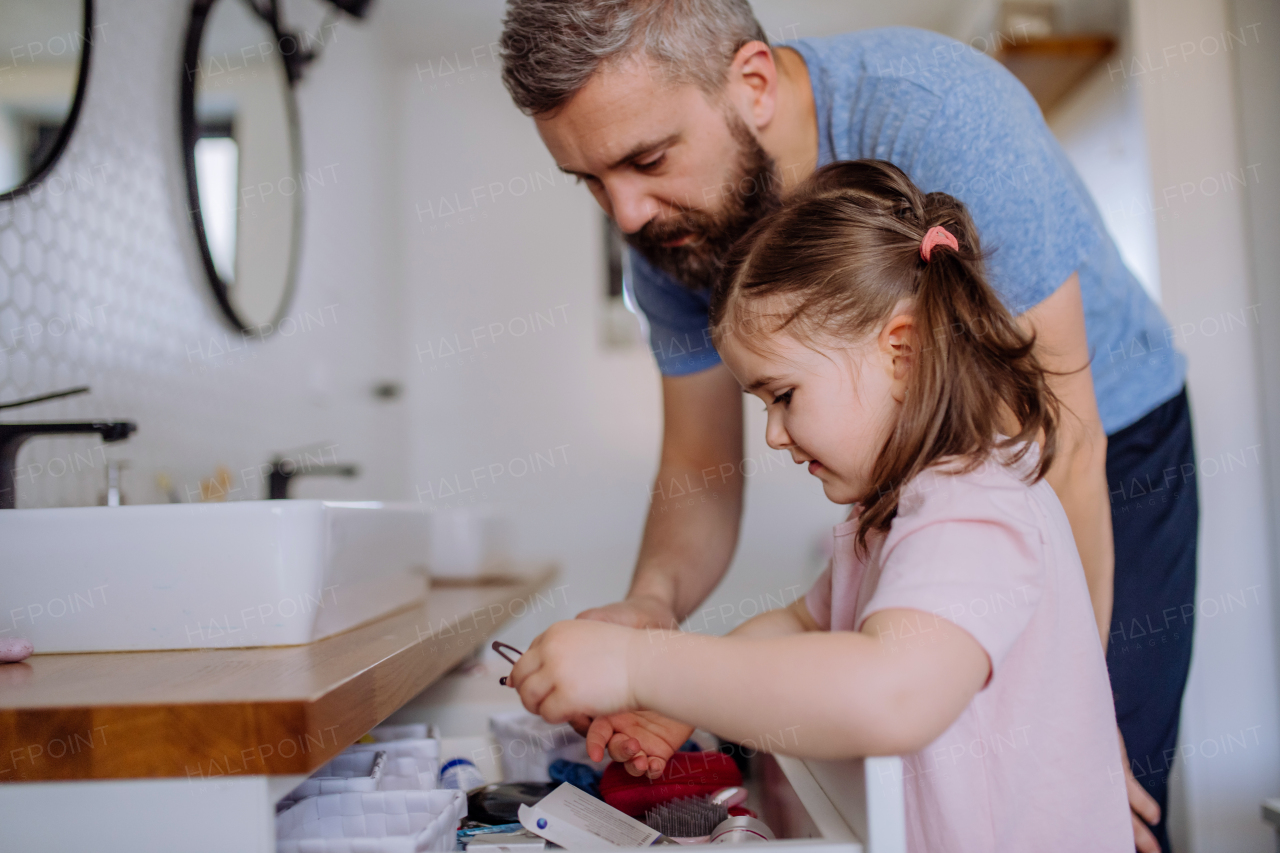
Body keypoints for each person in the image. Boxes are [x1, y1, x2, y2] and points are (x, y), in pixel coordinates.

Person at [499, 4, 1197, 850]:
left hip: (1097, 430)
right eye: (590, 181)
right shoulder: (676, 238)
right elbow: (708, 476)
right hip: (961, 479)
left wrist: (1086, 720)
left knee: (1110, 780)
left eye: (646, 159)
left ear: (753, 83)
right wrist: (653, 628)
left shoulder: (937, 111)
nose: (628, 215)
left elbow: (1066, 447)